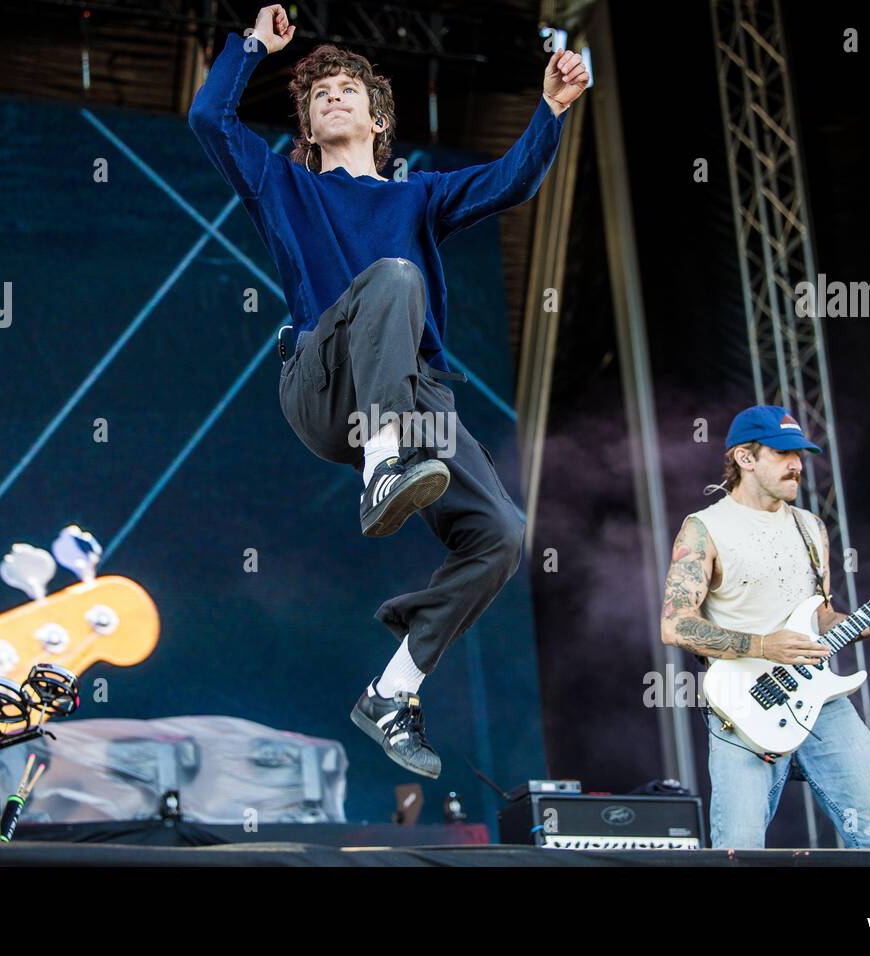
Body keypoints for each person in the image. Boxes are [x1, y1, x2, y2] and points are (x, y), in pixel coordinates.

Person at [188, 5, 589, 777]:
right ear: (305, 123)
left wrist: (551, 111)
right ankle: (380, 464)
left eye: (347, 90)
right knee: (395, 279)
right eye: (318, 94)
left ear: (377, 120)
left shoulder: (418, 197)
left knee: (502, 532)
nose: (331, 97)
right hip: (323, 384)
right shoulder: (283, 184)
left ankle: (393, 688)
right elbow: (210, 117)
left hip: (416, 405)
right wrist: (253, 48)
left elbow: (512, 182)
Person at [659, 405, 870, 847]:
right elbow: (676, 624)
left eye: (800, 453)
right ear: (745, 458)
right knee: (738, 852)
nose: (797, 464)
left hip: (822, 701)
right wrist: (763, 644)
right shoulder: (704, 528)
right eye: (783, 453)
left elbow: (819, 616)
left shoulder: (811, 527)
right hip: (742, 707)